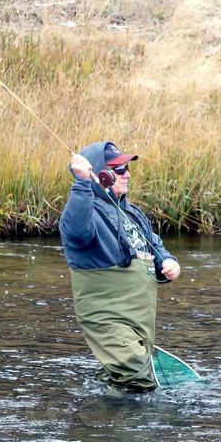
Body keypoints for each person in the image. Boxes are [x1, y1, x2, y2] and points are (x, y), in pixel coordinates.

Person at [59, 141, 180, 394]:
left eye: (127, 168)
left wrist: (168, 263)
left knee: (118, 377)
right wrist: (82, 183)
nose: (127, 174)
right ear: (101, 175)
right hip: (106, 316)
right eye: (120, 169)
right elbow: (77, 232)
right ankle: (125, 430)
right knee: (135, 374)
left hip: (139, 320)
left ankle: (102, 418)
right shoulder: (85, 212)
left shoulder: (134, 213)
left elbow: (156, 246)